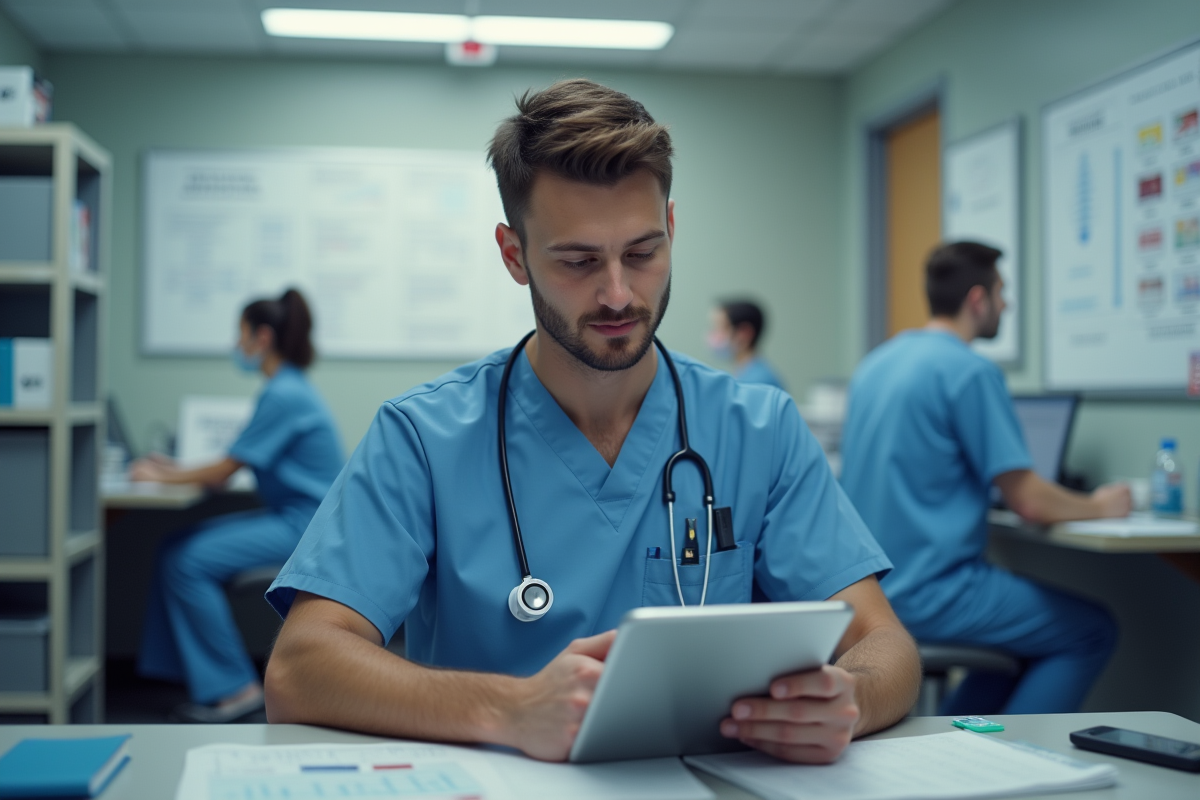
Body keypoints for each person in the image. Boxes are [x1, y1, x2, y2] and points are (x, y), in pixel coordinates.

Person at [262, 79, 919, 764]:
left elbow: (885, 643)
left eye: (642, 253)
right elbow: (300, 666)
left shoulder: (758, 429)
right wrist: (509, 708)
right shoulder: (424, 437)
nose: (617, 294)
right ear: (514, 255)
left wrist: (850, 698)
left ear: (671, 229)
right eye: (578, 261)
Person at [840, 241, 1132, 716]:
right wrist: (1102, 505)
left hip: (870, 592)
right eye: (1002, 292)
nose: (1007, 304)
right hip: (933, 591)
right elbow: (1029, 501)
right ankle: (1013, 756)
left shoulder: (875, 365)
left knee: (1020, 642)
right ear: (978, 300)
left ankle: (956, 740)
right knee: (1091, 631)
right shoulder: (971, 371)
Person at [130, 288, 344, 723]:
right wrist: (173, 469)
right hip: (298, 519)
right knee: (174, 546)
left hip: (306, 528)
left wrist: (158, 476)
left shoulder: (283, 394)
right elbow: (228, 466)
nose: (236, 344)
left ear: (262, 337)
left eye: (240, 334)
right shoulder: (287, 387)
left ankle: (235, 689)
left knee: (185, 561)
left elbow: (222, 472)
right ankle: (194, 677)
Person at [707, 298, 787, 390]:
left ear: (744, 333)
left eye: (721, 327)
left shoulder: (758, 383)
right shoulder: (744, 374)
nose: (714, 334)